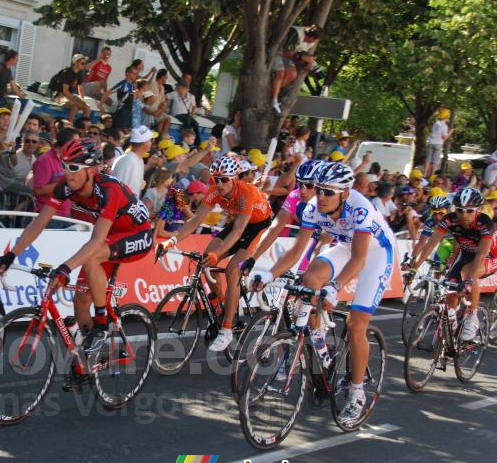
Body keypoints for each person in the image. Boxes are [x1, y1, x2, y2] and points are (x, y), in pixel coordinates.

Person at [251, 162, 396, 426]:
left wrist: (335, 287)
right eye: (318, 190)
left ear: (344, 193)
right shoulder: (312, 208)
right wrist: (269, 274)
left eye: (329, 192)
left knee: (356, 326)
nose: (321, 197)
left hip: (375, 254)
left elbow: (360, 259)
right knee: (310, 279)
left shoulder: (360, 207)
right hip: (345, 246)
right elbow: (296, 252)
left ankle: (357, 392)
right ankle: (320, 344)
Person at [0, 138, 153, 347]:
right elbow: (40, 222)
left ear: (92, 171)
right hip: (109, 236)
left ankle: (102, 324)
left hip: (137, 234)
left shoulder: (109, 189)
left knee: (91, 257)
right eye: (65, 165)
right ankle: (85, 361)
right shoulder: (65, 186)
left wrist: (66, 268)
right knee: (80, 301)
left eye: (74, 167)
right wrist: (11, 254)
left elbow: (95, 241)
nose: (67, 172)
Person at [160, 155, 273, 352]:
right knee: (206, 259)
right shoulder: (213, 191)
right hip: (237, 223)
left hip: (257, 226)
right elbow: (195, 221)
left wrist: (219, 253)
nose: (219, 184)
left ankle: (227, 329)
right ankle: (221, 300)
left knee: (231, 270)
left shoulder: (246, 192)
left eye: (224, 180)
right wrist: (172, 240)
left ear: (235, 178)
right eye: (215, 179)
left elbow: (239, 231)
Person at [410, 188, 497, 343]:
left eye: (469, 211)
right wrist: (414, 267)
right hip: (465, 254)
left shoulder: (485, 223)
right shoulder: (450, 219)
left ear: (478, 210)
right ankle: (452, 320)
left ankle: (472, 316)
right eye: (460, 210)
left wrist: (469, 280)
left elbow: (481, 254)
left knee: (468, 273)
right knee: (451, 288)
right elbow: (430, 245)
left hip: (489, 256)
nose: (464, 215)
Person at [243, 161, 323, 268]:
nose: (303, 190)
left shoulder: (330, 203)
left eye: (309, 185)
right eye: (300, 183)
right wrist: (253, 259)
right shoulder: (295, 195)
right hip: (309, 239)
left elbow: (324, 244)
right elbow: (274, 229)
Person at [271, 24, 323, 114]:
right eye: (314, 39)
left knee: (292, 74)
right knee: (281, 73)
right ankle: (274, 100)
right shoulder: (296, 33)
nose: (313, 42)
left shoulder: (311, 42)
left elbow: (298, 56)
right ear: (311, 36)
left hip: (288, 58)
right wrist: (304, 58)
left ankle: (271, 91)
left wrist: (306, 64)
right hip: (277, 52)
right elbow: (286, 51)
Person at [32, 127, 77, 224]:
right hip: (48, 216)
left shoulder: (69, 159)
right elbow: (38, 190)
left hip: (66, 213)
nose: (78, 146)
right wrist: (64, 183)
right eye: (76, 143)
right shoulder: (45, 160)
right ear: (67, 144)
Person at [111, 125, 156, 197]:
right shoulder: (128, 161)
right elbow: (118, 190)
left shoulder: (139, 160)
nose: (152, 143)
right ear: (145, 142)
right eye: (151, 140)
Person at [55, 54, 91, 123]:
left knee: (87, 108)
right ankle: (69, 126)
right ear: (76, 63)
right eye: (82, 63)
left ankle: (83, 127)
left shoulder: (79, 73)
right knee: (75, 107)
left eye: (85, 63)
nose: (84, 65)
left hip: (69, 95)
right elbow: (65, 91)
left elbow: (80, 88)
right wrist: (77, 102)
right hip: (59, 95)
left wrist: (83, 100)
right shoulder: (67, 73)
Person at [425, 108, 454, 176]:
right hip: (438, 144)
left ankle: (425, 174)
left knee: (428, 159)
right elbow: (444, 138)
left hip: (431, 142)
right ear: (446, 117)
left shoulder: (435, 123)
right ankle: (432, 175)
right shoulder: (444, 126)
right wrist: (450, 132)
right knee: (435, 161)